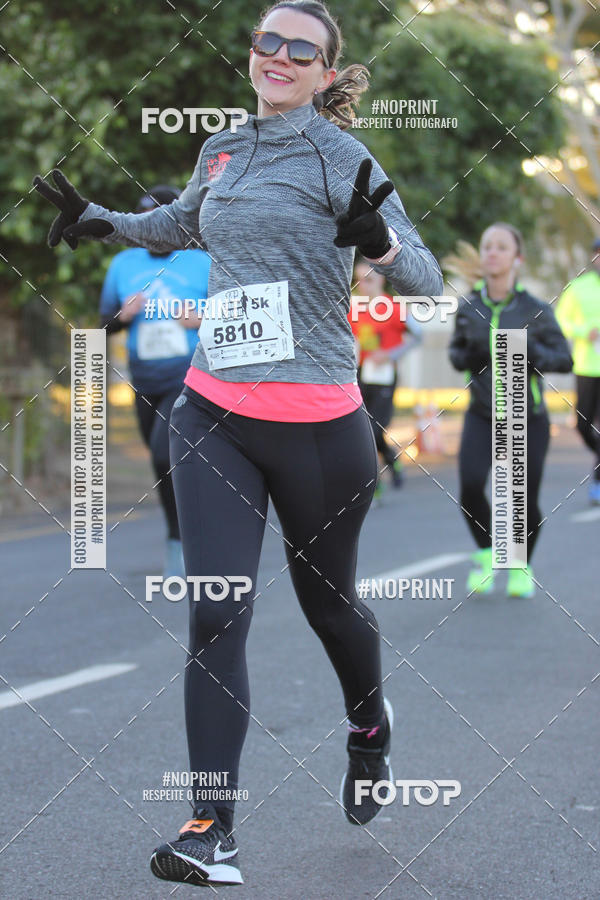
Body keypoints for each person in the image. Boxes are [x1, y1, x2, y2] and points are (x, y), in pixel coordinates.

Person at [34, 0, 442, 886]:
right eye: (269, 41)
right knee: (217, 609)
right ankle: (210, 828)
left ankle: (369, 725)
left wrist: (378, 240)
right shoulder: (222, 147)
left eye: (302, 49)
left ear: (326, 74)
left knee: (331, 607)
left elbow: (423, 272)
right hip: (213, 410)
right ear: (252, 51)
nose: (280, 56)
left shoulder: (343, 158)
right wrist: (104, 218)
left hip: (320, 424)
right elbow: (183, 224)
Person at [448, 223, 572, 599]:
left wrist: (533, 354)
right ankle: (487, 553)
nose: (492, 252)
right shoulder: (469, 308)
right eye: (487, 246)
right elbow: (455, 354)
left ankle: (520, 564)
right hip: (482, 414)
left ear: (517, 258)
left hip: (526, 417)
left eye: (501, 247)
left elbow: (565, 359)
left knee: (523, 499)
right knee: (471, 486)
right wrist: (469, 355)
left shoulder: (536, 310)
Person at [99, 186, 210, 577]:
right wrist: (123, 316)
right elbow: (102, 326)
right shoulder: (122, 265)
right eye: (146, 219)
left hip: (190, 377)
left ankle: (182, 543)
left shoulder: (202, 261)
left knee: (167, 454)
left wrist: (202, 318)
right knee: (162, 462)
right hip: (144, 380)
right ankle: (181, 534)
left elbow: (233, 315)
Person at [350, 256, 422, 494]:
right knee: (363, 429)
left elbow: (419, 336)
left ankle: (378, 477)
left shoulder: (394, 308)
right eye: (359, 280)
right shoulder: (355, 309)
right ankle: (385, 468)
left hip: (386, 377)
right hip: (362, 375)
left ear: (381, 279)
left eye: (369, 280)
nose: (363, 286)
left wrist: (390, 355)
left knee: (374, 429)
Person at [556, 238, 600, 504]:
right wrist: (584, 331)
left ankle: (597, 482)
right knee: (582, 425)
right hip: (586, 366)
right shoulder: (579, 287)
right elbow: (561, 320)